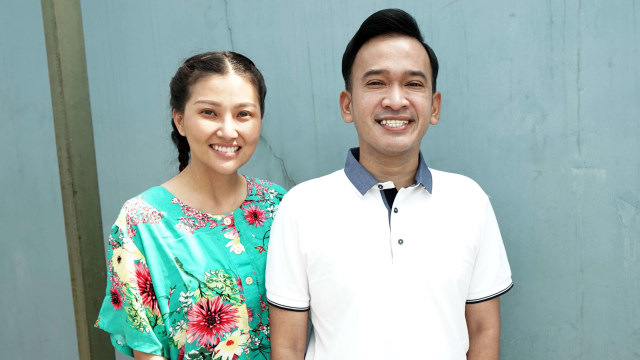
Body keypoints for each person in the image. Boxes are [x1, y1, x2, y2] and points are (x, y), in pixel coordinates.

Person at [265, 9, 513, 360]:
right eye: (376, 82)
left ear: (434, 106)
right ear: (347, 104)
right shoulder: (301, 207)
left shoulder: (469, 201)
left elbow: (483, 331)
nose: (396, 100)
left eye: (413, 84)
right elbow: (287, 347)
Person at [95, 51, 286, 360]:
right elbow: (147, 349)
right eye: (209, 112)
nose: (228, 130)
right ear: (180, 119)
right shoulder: (140, 222)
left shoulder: (279, 206)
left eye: (243, 114)